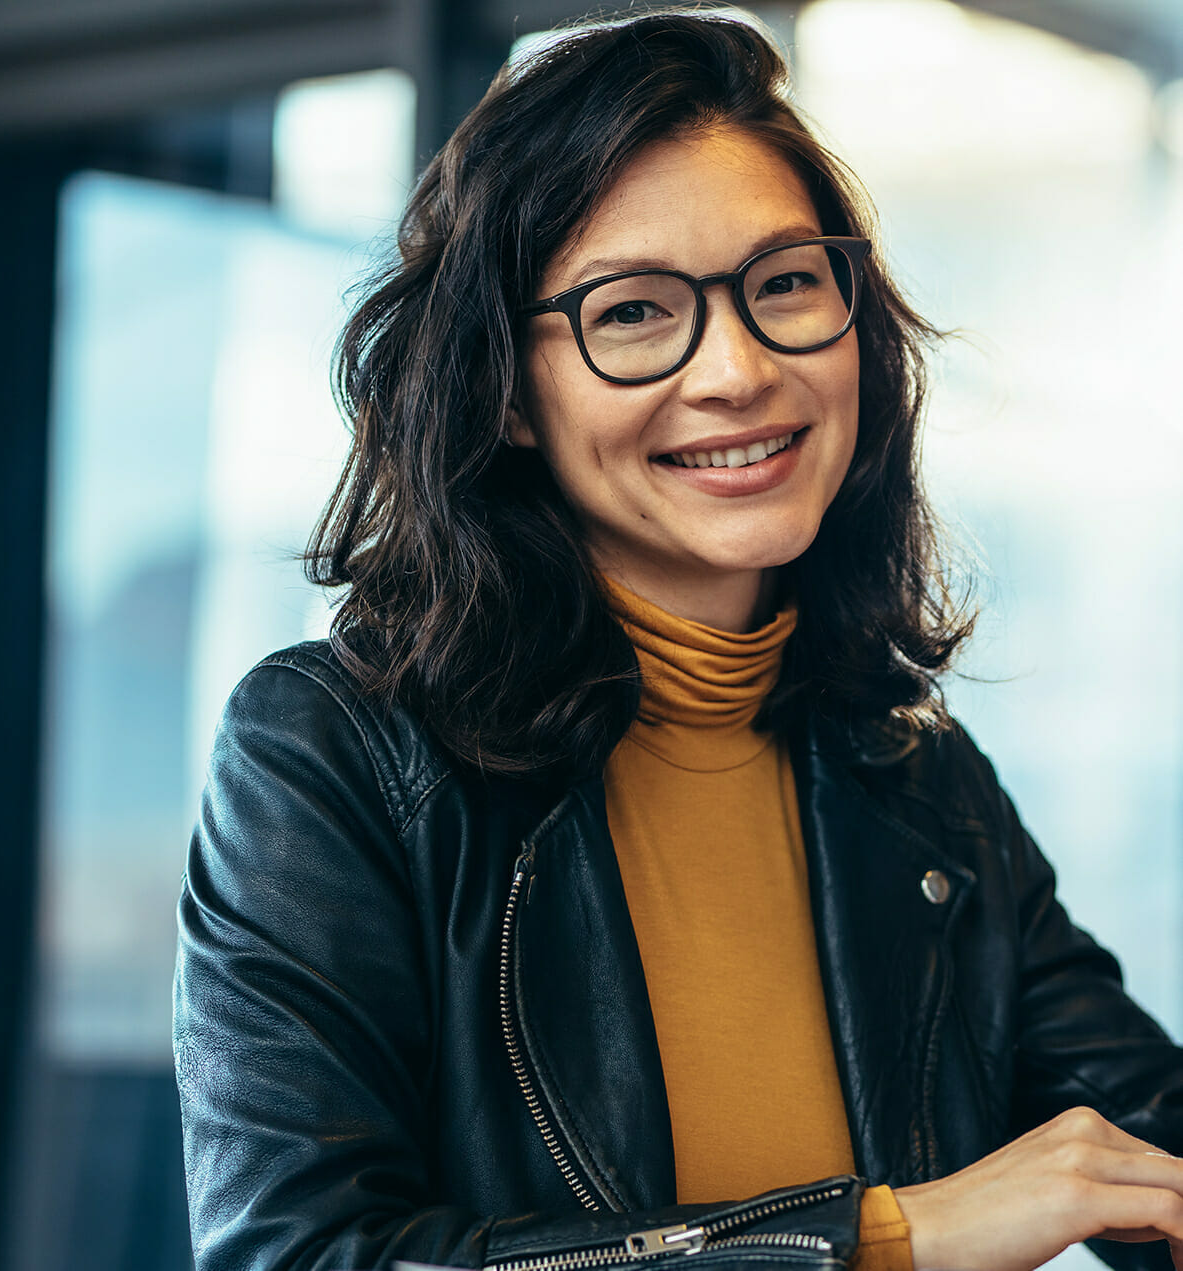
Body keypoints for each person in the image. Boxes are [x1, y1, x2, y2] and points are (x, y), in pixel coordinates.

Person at [172, 10, 1183, 1271]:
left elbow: (1147, 1152)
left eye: (785, 284)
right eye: (637, 312)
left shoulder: (914, 773)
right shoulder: (333, 751)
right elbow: (306, 1252)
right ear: (506, 390)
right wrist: (880, 1237)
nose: (737, 370)